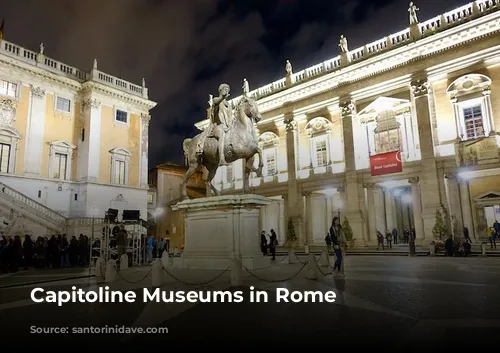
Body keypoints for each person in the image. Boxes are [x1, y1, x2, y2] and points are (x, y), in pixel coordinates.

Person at [196, 83, 233, 166]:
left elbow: (230, 117)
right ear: (220, 90)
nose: (227, 90)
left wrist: (230, 126)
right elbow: (216, 101)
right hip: (217, 127)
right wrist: (222, 97)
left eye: (228, 89)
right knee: (222, 134)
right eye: (225, 88)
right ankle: (221, 158)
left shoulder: (228, 105)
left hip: (227, 127)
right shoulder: (216, 100)